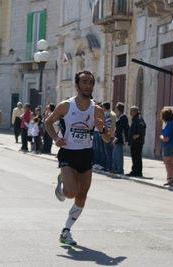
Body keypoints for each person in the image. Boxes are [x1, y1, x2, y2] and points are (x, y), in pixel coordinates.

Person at [43, 69, 110, 246]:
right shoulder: (66, 106)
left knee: (82, 196)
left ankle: (66, 230)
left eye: (91, 83)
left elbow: (107, 138)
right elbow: (48, 122)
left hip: (86, 154)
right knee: (71, 192)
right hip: (68, 151)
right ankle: (62, 184)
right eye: (84, 82)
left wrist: (102, 128)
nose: (88, 86)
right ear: (77, 85)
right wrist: (56, 138)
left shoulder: (97, 111)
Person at [159, 108, 173, 186]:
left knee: (166, 161)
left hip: (169, 144)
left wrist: (161, 137)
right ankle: (171, 177)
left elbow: (166, 139)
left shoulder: (168, 124)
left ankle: (169, 178)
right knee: (171, 161)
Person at [126, 106, 146, 177]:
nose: (130, 112)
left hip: (137, 141)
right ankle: (135, 171)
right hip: (134, 141)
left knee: (136, 157)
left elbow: (142, 126)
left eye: (132, 111)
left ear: (136, 111)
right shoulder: (135, 119)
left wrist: (138, 134)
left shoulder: (138, 118)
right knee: (135, 157)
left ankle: (136, 172)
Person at [112, 102, 129, 174]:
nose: (115, 109)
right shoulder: (119, 117)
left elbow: (120, 129)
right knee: (115, 154)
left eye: (116, 107)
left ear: (118, 108)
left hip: (119, 138)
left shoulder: (123, 117)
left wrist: (116, 138)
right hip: (116, 137)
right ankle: (115, 168)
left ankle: (119, 169)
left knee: (118, 154)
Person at [101, 101, 116, 172]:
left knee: (107, 152)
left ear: (104, 107)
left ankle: (108, 166)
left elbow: (108, 126)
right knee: (111, 152)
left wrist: (105, 133)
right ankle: (111, 166)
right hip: (113, 135)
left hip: (108, 135)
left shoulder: (107, 115)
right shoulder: (113, 114)